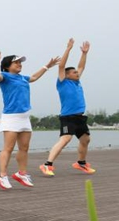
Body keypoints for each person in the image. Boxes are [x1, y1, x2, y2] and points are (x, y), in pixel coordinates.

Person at [0, 50, 60, 189]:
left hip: (24, 117)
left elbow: (34, 77)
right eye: (16, 62)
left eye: (20, 62)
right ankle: (2, 175)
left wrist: (47, 66)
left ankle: (21, 173)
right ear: (7, 66)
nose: (19, 64)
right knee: (9, 148)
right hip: (11, 117)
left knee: (24, 148)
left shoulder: (22, 78)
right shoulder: (5, 77)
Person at [40, 39, 94, 177]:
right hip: (68, 117)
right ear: (68, 74)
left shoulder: (77, 82)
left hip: (79, 117)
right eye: (74, 72)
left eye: (77, 72)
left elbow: (82, 66)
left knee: (86, 139)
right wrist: (68, 49)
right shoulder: (63, 82)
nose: (77, 73)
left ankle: (81, 163)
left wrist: (84, 54)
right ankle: (47, 165)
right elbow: (61, 66)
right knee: (65, 139)